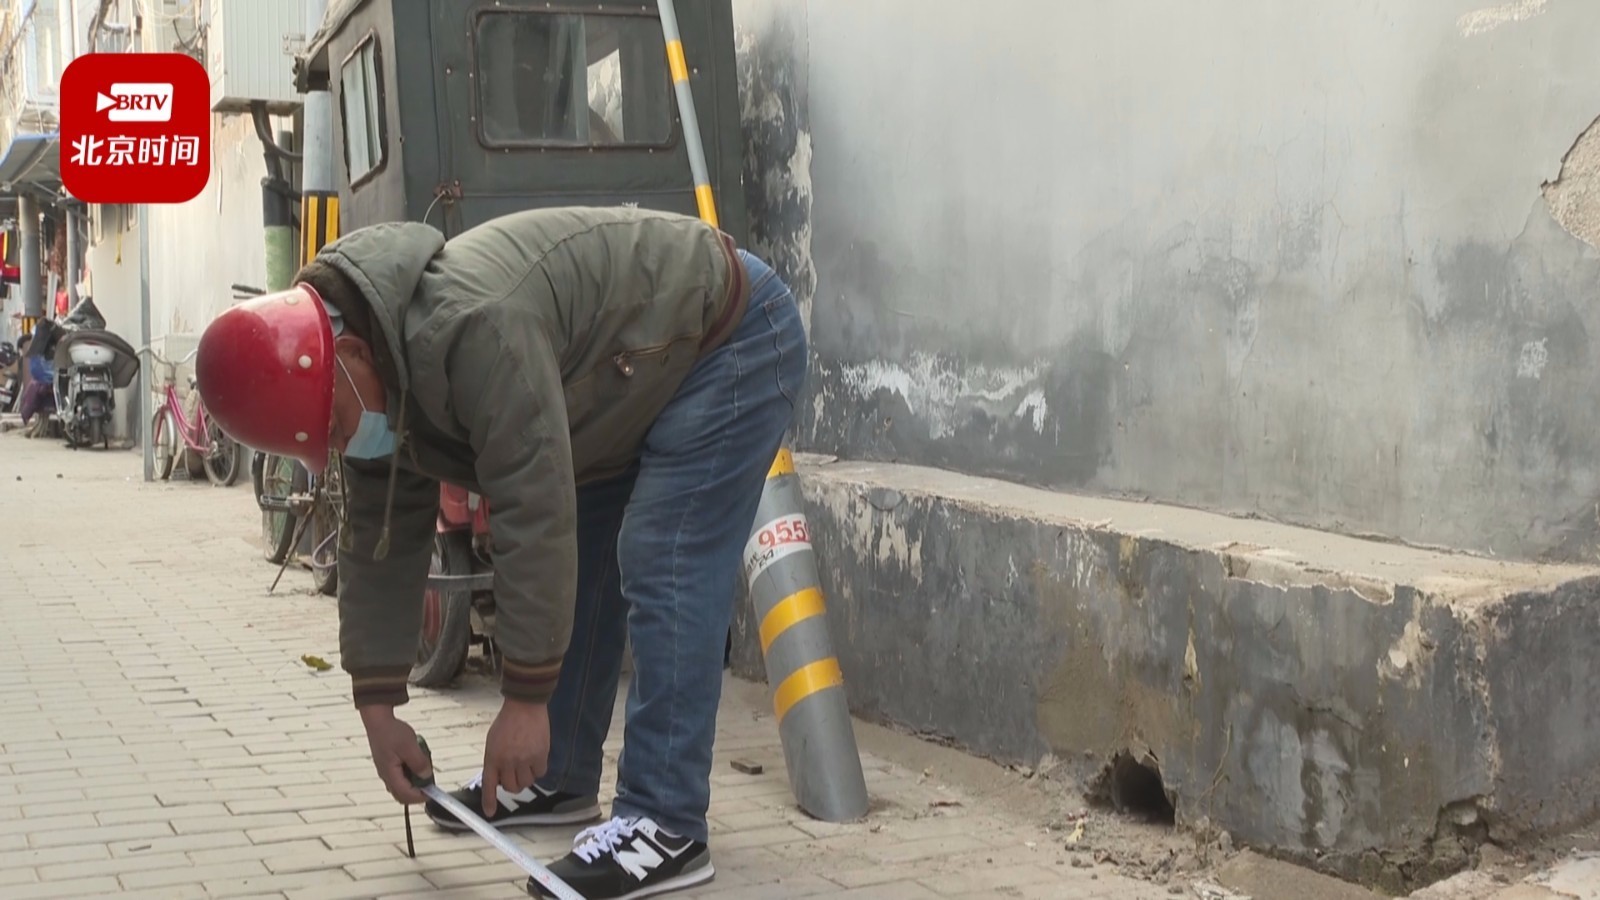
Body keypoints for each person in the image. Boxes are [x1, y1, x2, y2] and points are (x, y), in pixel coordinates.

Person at [194, 206, 807, 900]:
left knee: (662, 558)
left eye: (334, 427)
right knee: (587, 563)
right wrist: (378, 708)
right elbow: (379, 546)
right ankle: (559, 778)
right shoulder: (380, 370)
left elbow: (531, 505)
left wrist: (524, 700)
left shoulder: (473, 328)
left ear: (354, 354)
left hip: (727, 338)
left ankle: (666, 823)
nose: (341, 445)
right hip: (624, 382)